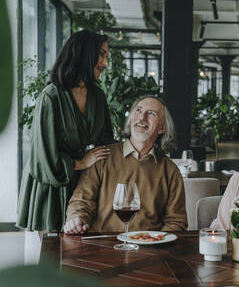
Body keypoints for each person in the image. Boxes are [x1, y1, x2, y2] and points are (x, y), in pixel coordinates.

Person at [17, 30, 115, 232]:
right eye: (101, 54)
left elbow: (106, 142)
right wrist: (80, 163)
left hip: (84, 186)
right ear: (84, 54)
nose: (105, 63)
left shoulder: (98, 96)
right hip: (52, 186)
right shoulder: (50, 98)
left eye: (106, 56)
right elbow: (42, 156)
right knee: (52, 256)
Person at [64, 96, 187, 234]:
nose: (142, 118)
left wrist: (155, 243)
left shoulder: (170, 171)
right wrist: (77, 219)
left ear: (162, 128)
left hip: (148, 250)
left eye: (151, 113)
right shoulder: (101, 156)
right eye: (138, 111)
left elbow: (176, 221)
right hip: (102, 247)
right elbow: (81, 202)